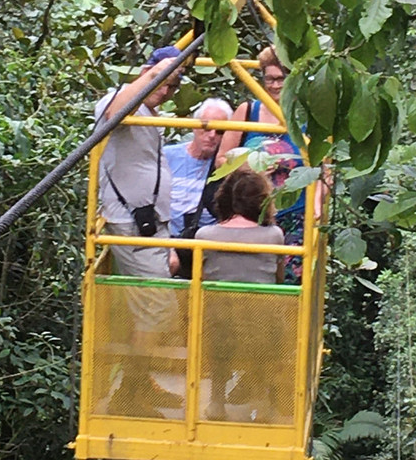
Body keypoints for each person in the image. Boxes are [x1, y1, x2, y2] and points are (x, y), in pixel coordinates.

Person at [92, 45, 186, 416]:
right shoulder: (120, 100)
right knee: (159, 308)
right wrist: (154, 74)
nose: (168, 89)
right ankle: (129, 392)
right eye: (165, 81)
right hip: (129, 222)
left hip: (149, 226)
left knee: (150, 307)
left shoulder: (150, 111)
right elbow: (114, 114)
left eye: (174, 85)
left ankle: (138, 383)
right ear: (150, 72)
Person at [195, 170, 285, 421]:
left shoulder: (204, 236)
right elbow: (278, 278)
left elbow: (200, 279)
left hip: (219, 321)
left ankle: (216, 402)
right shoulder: (274, 236)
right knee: (270, 321)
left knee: (216, 320)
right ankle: (264, 401)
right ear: (263, 201)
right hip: (262, 320)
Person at [215, 46, 307, 283]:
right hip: (250, 214)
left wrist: (317, 210)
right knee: (249, 278)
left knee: (289, 282)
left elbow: (322, 167)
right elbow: (221, 159)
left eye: (281, 79)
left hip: (295, 213)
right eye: (270, 79)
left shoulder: (307, 117)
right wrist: (249, 168)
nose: (275, 85)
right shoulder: (248, 112)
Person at [165, 98, 232, 278]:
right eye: (206, 127)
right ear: (195, 127)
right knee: (168, 264)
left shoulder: (226, 164)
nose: (211, 135)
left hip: (209, 243)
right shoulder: (167, 156)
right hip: (167, 238)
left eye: (219, 131)